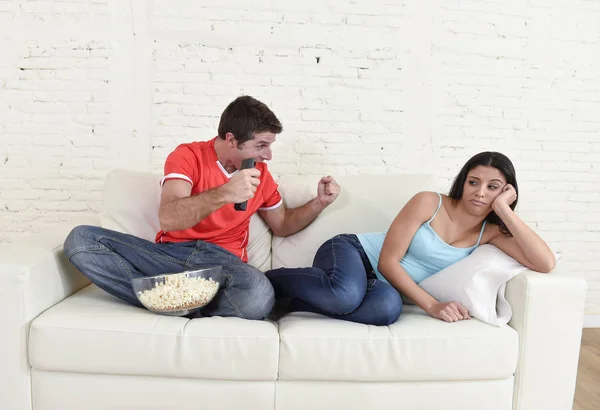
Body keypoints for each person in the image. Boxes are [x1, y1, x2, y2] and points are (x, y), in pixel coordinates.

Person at [63, 96, 340, 320]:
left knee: (259, 294)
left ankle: (165, 298)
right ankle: (185, 300)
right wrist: (225, 192)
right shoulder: (188, 156)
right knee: (80, 241)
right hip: (171, 258)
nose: (268, 155)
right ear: (232, 140)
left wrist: (319, 203)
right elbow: (169, 218)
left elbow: (282, 224)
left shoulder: (261, 174)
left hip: (222, 266)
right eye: (261, 145)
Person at [266, 151, 556, 326]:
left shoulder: (490, 233)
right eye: (473, 182)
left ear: (506, 192)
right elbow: (388, 262)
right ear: (463, 181)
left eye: (493, 188)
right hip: (353, 251)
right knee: (345, 294)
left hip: (379, 285)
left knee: (388, 309)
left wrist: (504, 210)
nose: (480, 193)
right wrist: (432, 305)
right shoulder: (429, 202)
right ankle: (272, 282)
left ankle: (294, 302)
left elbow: (545, 262)